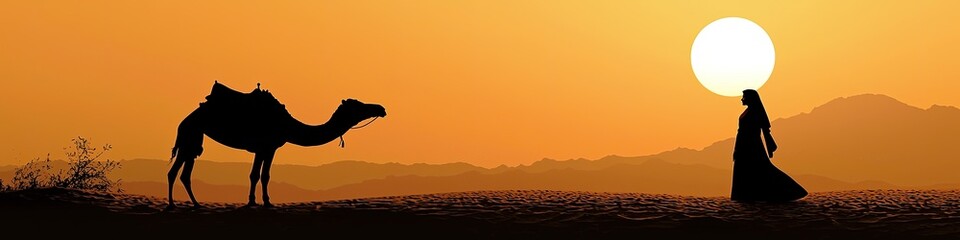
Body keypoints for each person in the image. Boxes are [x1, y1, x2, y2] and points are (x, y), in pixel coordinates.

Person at [731, 89, 807, 202]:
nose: (742, 99)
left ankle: (792, 191)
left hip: (752, 145)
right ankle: (745, 196)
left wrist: (769, 148)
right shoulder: (748, 112)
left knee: (762, 169)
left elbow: (765, 131)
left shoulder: (756, 112)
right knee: (746, 170)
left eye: (744, 97)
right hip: (743, 145)